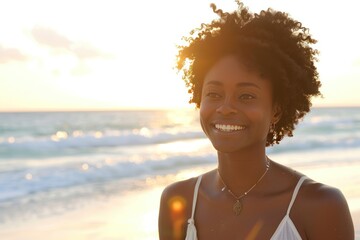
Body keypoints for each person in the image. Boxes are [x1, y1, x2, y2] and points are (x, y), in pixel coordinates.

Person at [158, 1, 354, 239]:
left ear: (276, 111)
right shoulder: (178, 201)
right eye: (214, 94)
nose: (226, 108)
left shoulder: (319, 206)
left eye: (246, 96)